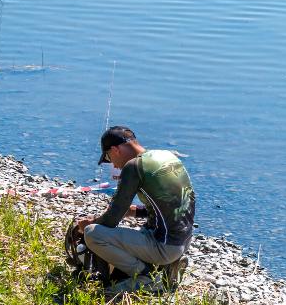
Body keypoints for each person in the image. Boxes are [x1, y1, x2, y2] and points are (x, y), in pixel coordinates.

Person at [75, 126, 196, 295]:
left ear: (115, 149)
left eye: (109, 158)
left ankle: (146, 277)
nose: (114, 166)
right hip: (183, 241)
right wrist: (134, 212)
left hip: (164, 246)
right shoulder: (166, 157)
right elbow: (173, 205)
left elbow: (111, 219)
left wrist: (89, 224)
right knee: (133, 235)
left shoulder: (133, 167)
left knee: (92, 234)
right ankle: (166, 266)